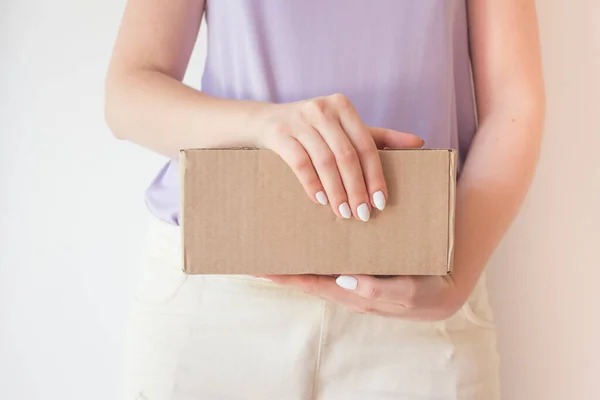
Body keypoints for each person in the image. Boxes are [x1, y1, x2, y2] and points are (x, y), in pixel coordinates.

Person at [105, 0, 545, 399]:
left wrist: (456, 277)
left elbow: (513, 101)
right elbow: (129, 92)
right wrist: (265, 125)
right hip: (218, 296)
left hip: (419, 302)